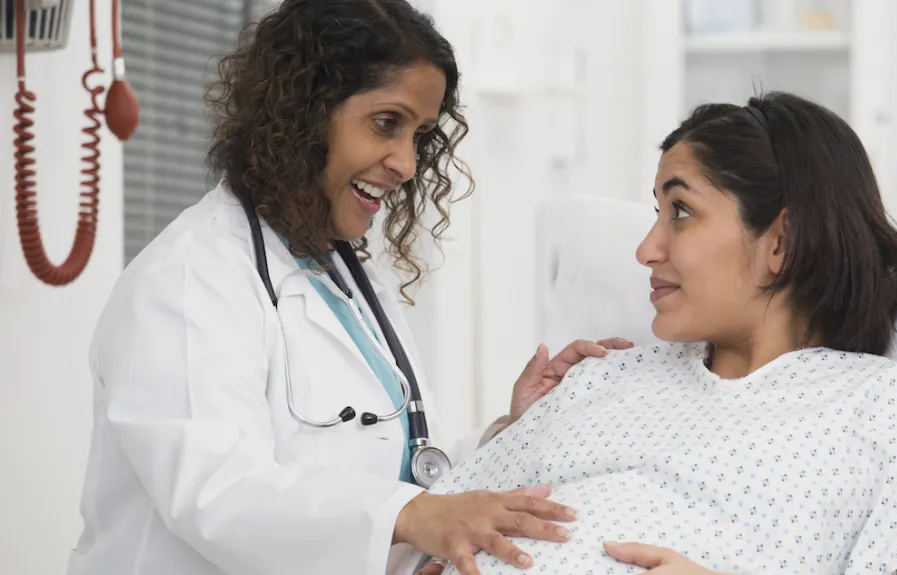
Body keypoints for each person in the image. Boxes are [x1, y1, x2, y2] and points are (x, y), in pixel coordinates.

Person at [66, 2, 632, 575]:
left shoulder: (339, 274)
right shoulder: (187, 281)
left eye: (420, 134)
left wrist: (508, 432)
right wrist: (411, 516)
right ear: (302, 112)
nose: (408, 163)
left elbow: (393, 467)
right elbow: (219, 496)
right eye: (387, 123)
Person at [419, 92, 897, 575]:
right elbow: (430, 540)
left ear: (781, 243)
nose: (647, 247)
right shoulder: (603, 375)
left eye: (681, 210)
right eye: (656, 211)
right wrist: (511, 428)